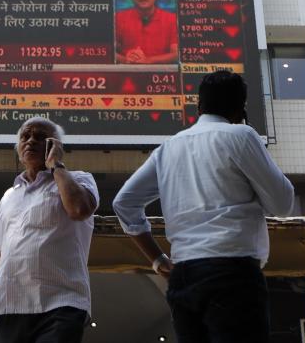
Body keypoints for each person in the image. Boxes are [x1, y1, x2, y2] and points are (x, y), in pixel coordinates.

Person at [112, 70, 294, 343]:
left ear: (199, 105)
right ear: (240, 109)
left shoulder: (167, 149)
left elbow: (124, 202)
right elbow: (282, 205)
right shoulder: (242, 136)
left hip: (183, 275)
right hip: (234, 273)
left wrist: (158, 259)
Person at [0, 117, 99, 343]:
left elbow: (78, 209)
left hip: (62, 303)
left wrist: (56, 164)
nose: (30, 141)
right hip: (9, 307)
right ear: (18, 148)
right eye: (25, 137)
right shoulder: (8, 196)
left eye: (39, 137)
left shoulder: (79, 179)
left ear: (53, 145)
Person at [115, 0, 178, 64]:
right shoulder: (119, 18)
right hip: (127, 71)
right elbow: (109, 52)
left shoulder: (172, 19)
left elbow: (176, 54)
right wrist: (125, 59)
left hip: (160, 73)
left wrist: (148, 60)